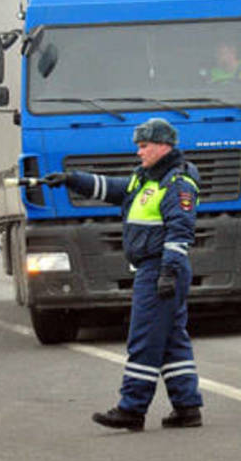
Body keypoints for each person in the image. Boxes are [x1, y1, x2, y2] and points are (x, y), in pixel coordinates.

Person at [42, 118, 204, 431]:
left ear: (163, 146)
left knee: (143, 338)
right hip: (154, 267)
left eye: (144, 146)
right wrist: (70, 179)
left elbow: (180, 230)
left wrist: (168, 272)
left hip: (160, 267)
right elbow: (112, 188)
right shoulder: (144, 179)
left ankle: (131, 409)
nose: (139, 153)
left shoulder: (176, 182)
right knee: (171, 340)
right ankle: (187, 407)